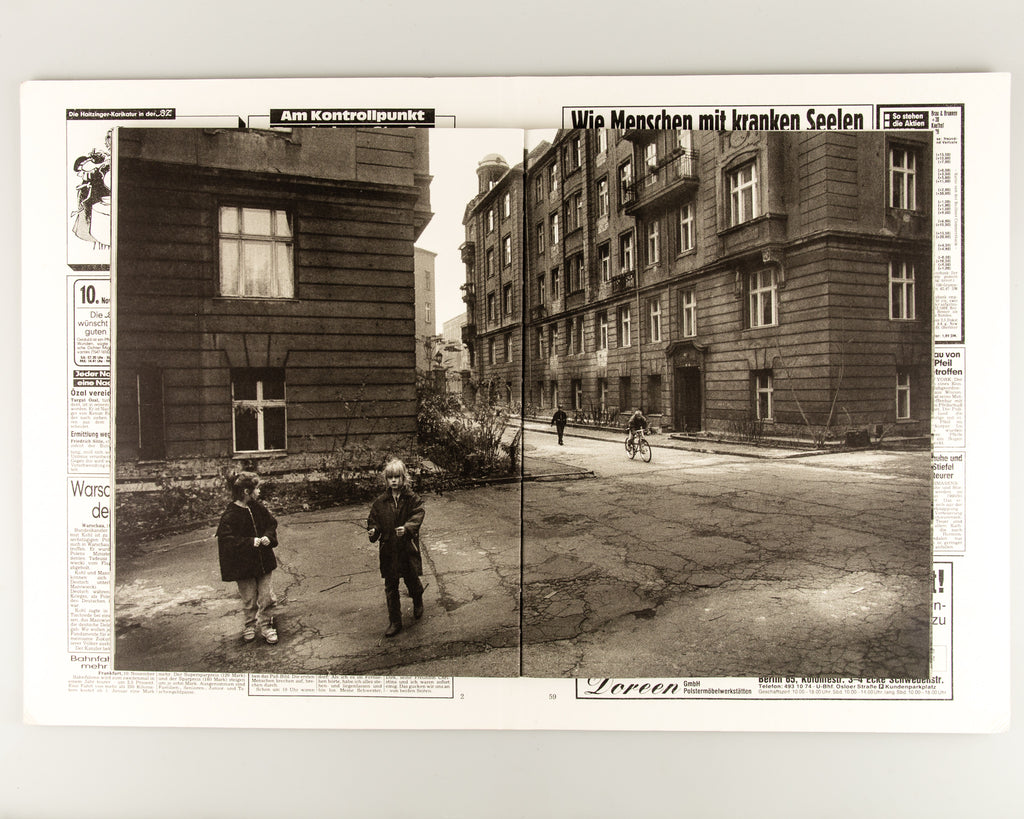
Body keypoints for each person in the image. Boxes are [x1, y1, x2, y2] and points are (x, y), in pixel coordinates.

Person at [215, 472, 280, 644]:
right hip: (243, 566)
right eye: (256, 489)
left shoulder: (257, 508)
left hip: (263, 562)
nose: (258, 492)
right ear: (246, 491)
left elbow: (271, 523)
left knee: (267, 597)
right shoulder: (230, 515)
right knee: (249, 599)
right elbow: (227, 541)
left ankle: (266, 625)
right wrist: (252, 542)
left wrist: (268, 536)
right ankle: (250, 624)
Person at [366, 459, 425, 637]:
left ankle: (418, 599)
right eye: (390, 477)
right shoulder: (380, 502)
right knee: (391, 585)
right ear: (386, 480)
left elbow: (418, 513)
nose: (394, 481)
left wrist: (407, 528)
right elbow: (373, 520)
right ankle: (395, 621)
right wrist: (373, 531)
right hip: (389, 549)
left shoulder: (412, 498)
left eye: (397, 477)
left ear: (403, 478)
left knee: (411, 578)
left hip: (406, 547)